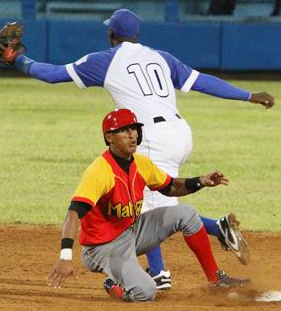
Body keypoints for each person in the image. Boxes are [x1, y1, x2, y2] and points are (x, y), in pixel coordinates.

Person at [0, 8, 274, 289]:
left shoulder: (104, 61)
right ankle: (178, 258)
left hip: (148, 136)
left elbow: (52, 74)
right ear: (137, 35)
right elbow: (204, 82)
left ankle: (184, 260)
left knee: (143, 205)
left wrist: (17, 59)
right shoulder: (161, 57)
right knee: (152, 202)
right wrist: (247, 95)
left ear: (111, 34)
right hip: (180, 133)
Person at [46, 108, 250, 302]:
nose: (132, 134)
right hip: (103, 248)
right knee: (146, 292)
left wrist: (200, 181)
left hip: (132, 232)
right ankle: (113, 284)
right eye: (124, 130)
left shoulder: (141, 163)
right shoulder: (100, 171)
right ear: (110, 137)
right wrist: (65, 255)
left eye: (134, 128)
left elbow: (170, 187)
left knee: (187, 213)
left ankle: (216, 280)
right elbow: (73, 213)